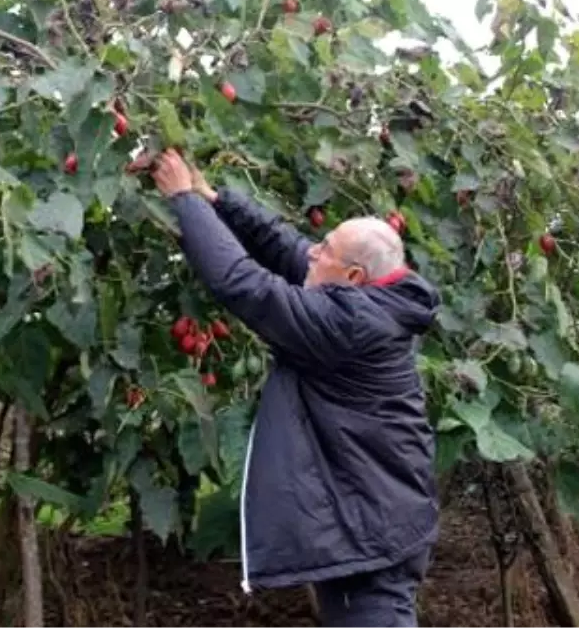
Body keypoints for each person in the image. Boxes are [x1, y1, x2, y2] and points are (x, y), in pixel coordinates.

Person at [151, 149, 441, 627]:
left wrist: (184, 200)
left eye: (324, 249)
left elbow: (245, 285)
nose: (312, 251)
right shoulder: (374, 295)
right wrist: (215, 199)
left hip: (373, 537)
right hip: (374, 519)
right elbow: (285, 247)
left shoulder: (351, 323)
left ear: (353, 277)